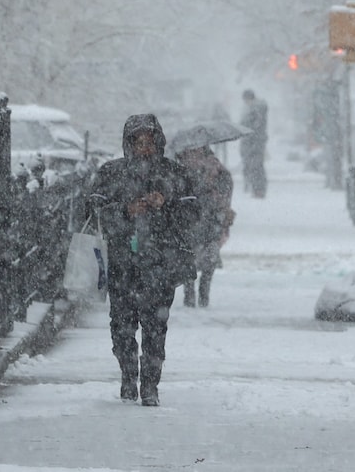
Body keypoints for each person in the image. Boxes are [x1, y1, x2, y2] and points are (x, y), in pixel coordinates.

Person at [86, 113, 198, 406]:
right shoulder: (111, 173)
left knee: (155, 327)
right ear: (129, 144)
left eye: (150, 142)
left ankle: (150, 384)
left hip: (161, 264)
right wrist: (126, 211)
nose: (144, 148)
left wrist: (166, 203)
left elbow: (193, 215)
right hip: (123, 264)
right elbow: (94, 215)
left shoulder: (175, 174)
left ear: (158, 142)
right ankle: (127, 376)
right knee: (121, 325)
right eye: (139, 142)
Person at [176, 144, 234, 308]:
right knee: (194, 258)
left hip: (207, 220)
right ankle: (193, 295)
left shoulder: (217, 171)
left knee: (205, 259)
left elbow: (225, 192)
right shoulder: (182, 171)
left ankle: (200, 295)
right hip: (194, 221)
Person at [240, 89, 269, 198]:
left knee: (256, 167)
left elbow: (256, 126)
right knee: (256, 166)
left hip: (255, 143)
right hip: (255, 142)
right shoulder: (255, 109)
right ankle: (257, 189)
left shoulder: (256, 110)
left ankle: (259, 190)